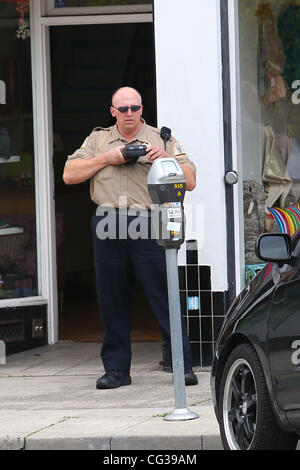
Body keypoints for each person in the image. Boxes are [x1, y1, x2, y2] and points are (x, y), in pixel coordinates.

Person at [63, 87, 197, 389]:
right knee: (111, 298)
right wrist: (109, 158)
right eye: (122, 109)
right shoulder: (98, 140)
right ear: (112, 111)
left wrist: (165, 159)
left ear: (141, 109)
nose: (129, 114)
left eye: (134, 108)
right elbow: (70, 175)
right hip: (108, 220)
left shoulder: (161, 139)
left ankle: (181, 365)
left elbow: (190, 181)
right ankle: (116, 369)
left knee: (163, 294)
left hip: (149, 220)